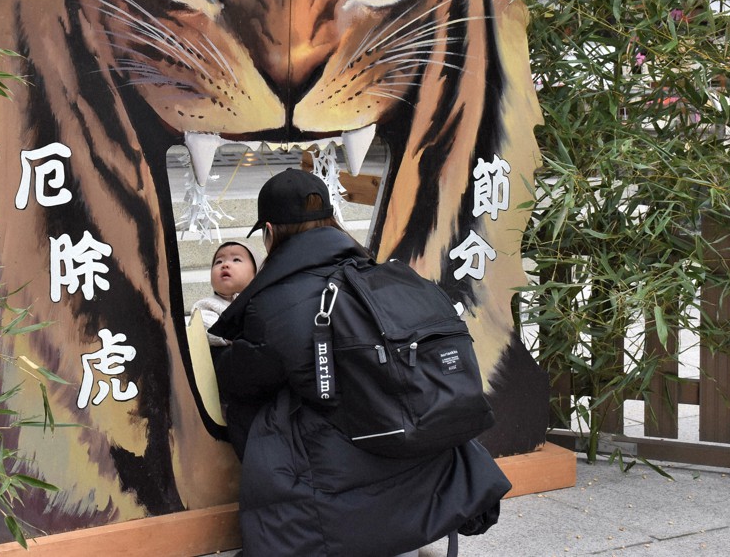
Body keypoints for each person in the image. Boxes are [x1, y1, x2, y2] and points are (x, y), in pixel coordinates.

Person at [210, 169, 510, 557]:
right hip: (416, 452)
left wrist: (222, 355)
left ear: (269, 231)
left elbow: (245, 379)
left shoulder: (275, 302)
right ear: (331, 219)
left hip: (338, 467)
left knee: (264, 413)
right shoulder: (378, 274)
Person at [190, 241, 258, 348]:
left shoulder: (260, 301)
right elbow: (209, 328)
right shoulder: (207, 305)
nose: (225, 265)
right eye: (218, 262)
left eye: (236, 260)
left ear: (256, 273)